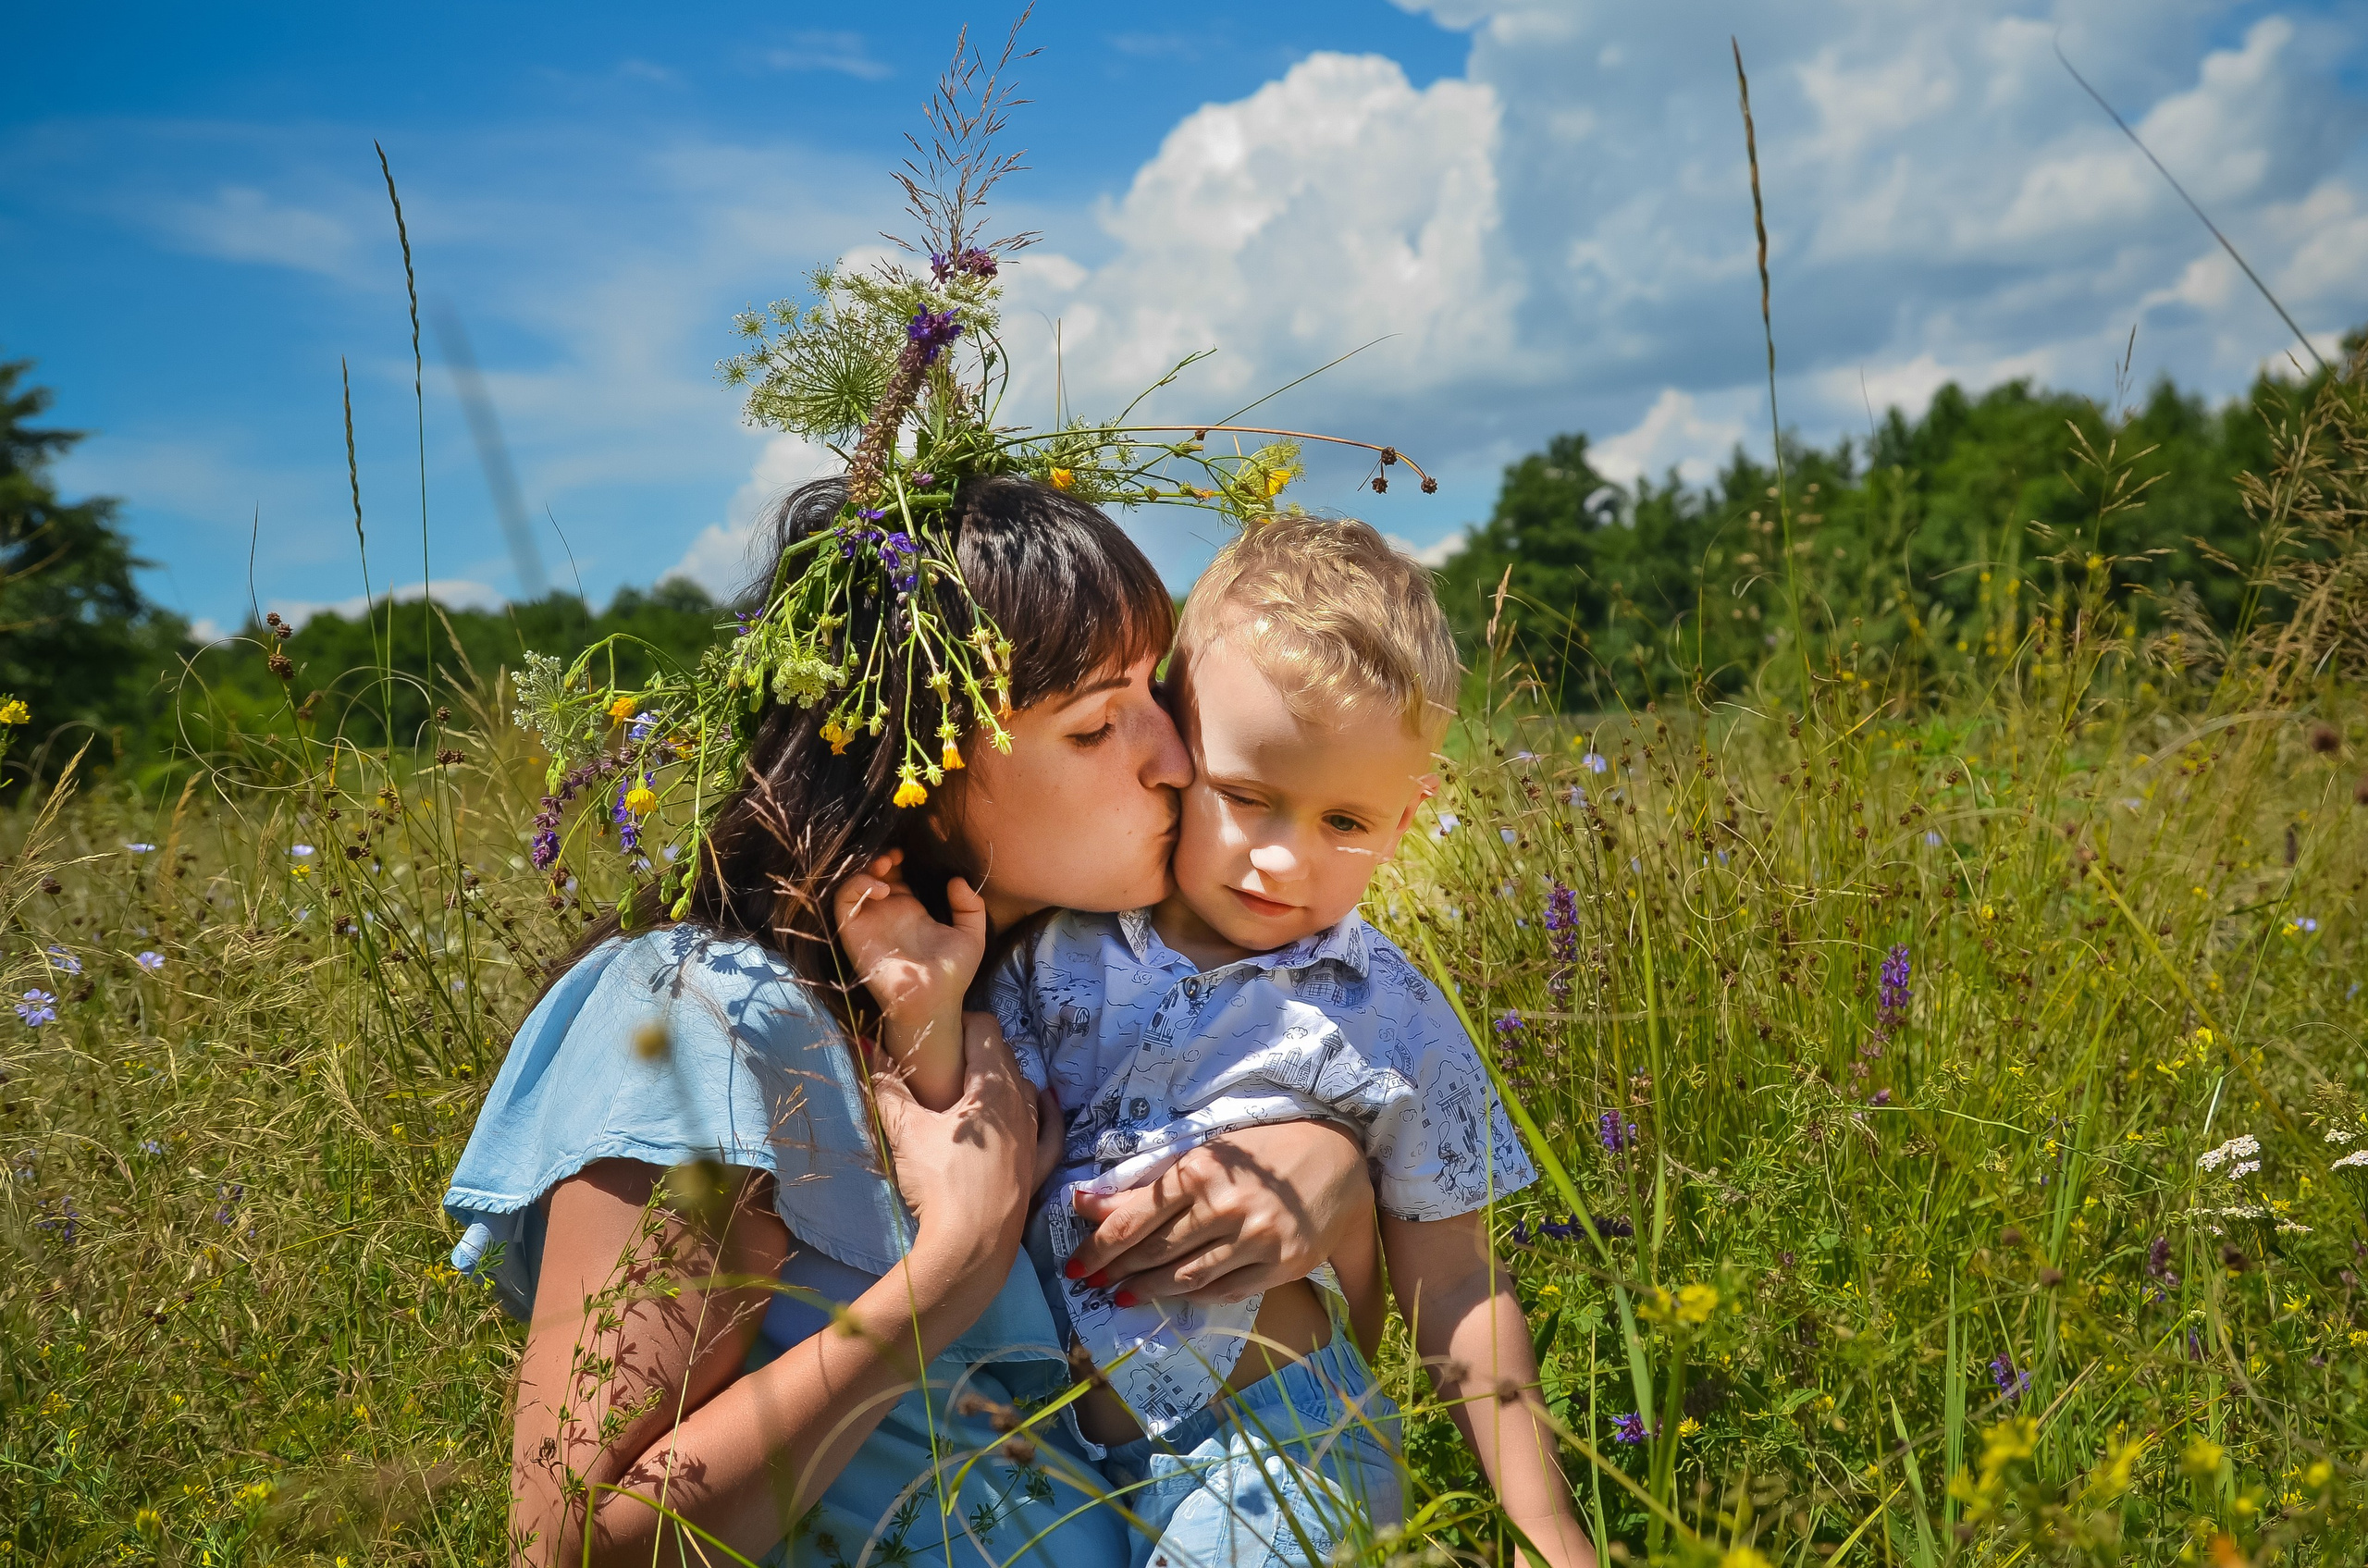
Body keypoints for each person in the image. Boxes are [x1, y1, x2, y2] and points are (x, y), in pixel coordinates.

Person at [442, 477, 1378, 1568]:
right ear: (925, 775)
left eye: (1152, 692)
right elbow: (567, 1550)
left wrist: (1324, 1165)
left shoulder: (1060, 990)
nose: (1173, 759)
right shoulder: (710, 1017)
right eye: (1093, 726)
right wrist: (950, 1274)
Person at [871, 517, 1596, 1568]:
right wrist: (923, 1017)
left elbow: (1458, 1283)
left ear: (1406, 819)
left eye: (1344, 823)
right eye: (1246, 797)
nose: (1281, 861)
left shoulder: (1387, 1009)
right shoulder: (1056, 951)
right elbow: (969, 1137)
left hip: (1276, 1454)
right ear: (1172, 748)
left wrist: (1542, 1526)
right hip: (1044, 1456)